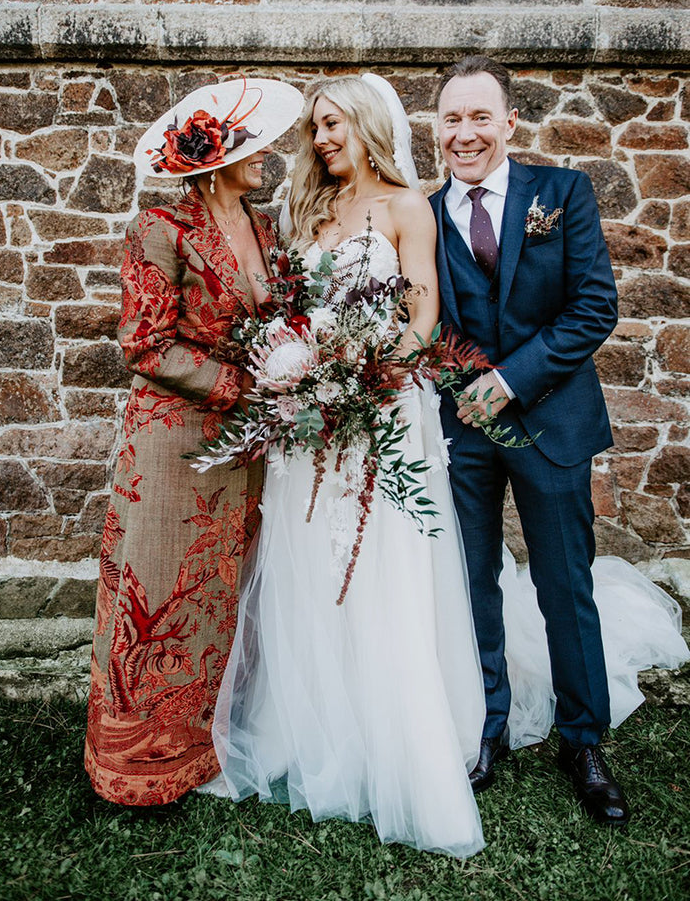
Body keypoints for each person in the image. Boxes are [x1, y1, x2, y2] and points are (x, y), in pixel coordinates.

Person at [212, 75, 488, 855]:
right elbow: (289, 311)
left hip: (378, 411)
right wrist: (302, 370)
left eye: (331, 124)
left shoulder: (408, 208)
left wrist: (366, 376)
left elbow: (424, 312)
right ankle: (311, 728)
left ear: (367, 124)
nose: (321, 139)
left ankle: (393, 733)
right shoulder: (310, 210)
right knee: (310, 567)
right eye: (315, 128)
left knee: (382, 570)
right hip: (310, 419)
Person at [428, 54, 687, 823]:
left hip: (550, 423)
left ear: (510, 122)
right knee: (469, 584)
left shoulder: (562, 194)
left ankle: (583, 740)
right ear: (434, 128)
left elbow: (592, 307)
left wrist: (507, 381)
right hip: (464, 432)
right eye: (451, 118)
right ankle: (488, 725)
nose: (465, 132)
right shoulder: (425, 211)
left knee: (564, 588)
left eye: (480, 116)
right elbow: (425, 320)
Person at [84, 77, 304, 805]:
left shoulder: (266, 229)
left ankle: (201, 740)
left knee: (215, 594)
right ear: (218, 159)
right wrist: (241, 384)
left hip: (242, 447)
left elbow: (278, 317)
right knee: (155, 592)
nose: (266, 155)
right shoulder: (160, 227)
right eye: (253, 147)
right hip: (169, 443)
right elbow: (144, 342)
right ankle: (136, 758)